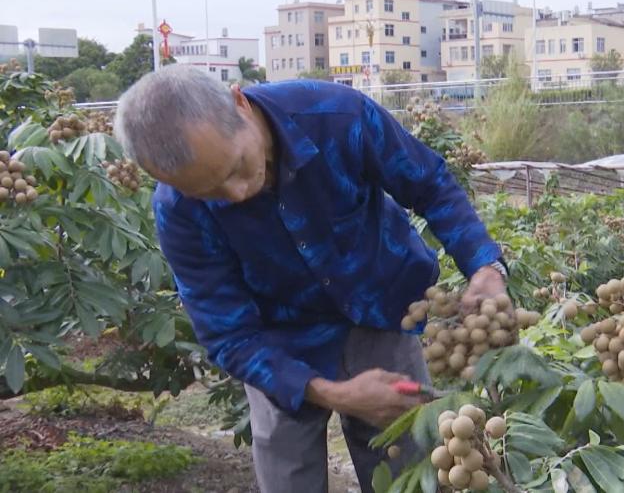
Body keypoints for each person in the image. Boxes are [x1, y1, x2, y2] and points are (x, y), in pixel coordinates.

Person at [114, 65, 508, 493]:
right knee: (288, 479)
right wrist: (334, 392)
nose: (237, 193)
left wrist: (484, 266)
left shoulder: (334, 116)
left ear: (239, 103)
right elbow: (230, 336)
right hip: (278, 345)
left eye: (237, 167)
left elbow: (429, 184)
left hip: (380, 313)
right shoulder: (178, 210)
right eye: (209, 193)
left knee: (405, 469)